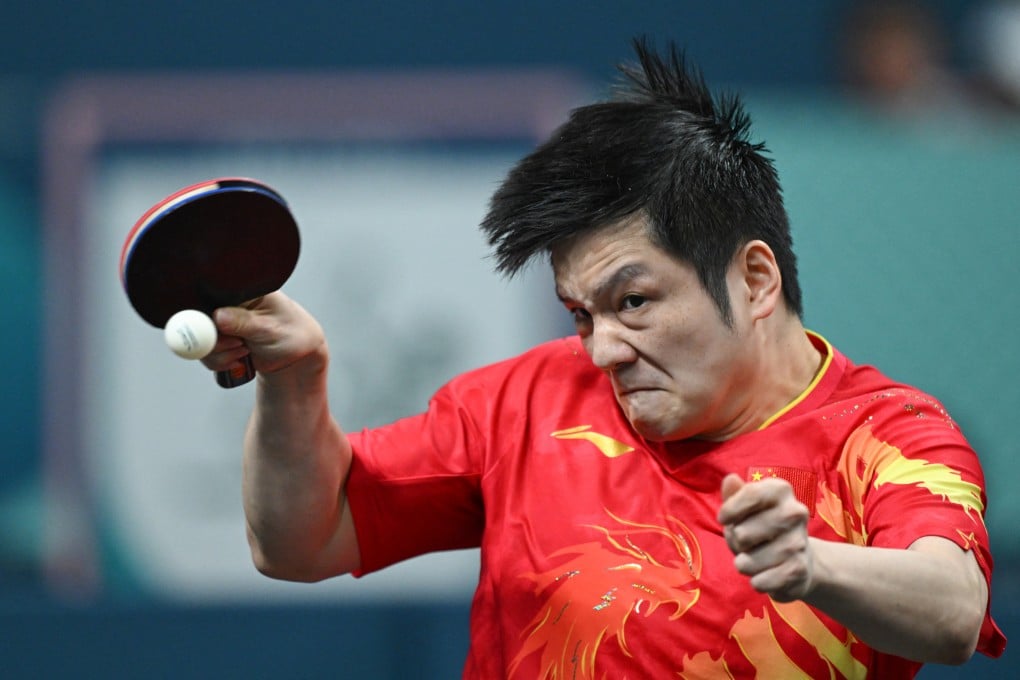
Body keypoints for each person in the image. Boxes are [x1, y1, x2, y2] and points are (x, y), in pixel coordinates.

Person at [202, 39, 1006, 678]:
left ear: (754, 277)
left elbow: (952, 612)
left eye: (634, 302)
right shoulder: (528, 400)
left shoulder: (889, 434)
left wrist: (814, 565)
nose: (604, 349)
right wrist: (294, 384)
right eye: (581, 314)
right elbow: (300, 541)